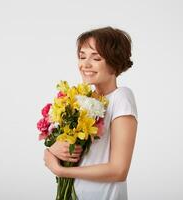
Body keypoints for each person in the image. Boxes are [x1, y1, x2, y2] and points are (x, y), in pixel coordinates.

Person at [43, 26, 138, 200]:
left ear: (114, 62)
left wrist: (61, 170)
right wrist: (52, 151)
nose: (85, 64)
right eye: (82, 56)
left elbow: (119, 170)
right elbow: (66, 147)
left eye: (96, 58)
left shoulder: (121, 97)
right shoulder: (80, 99)